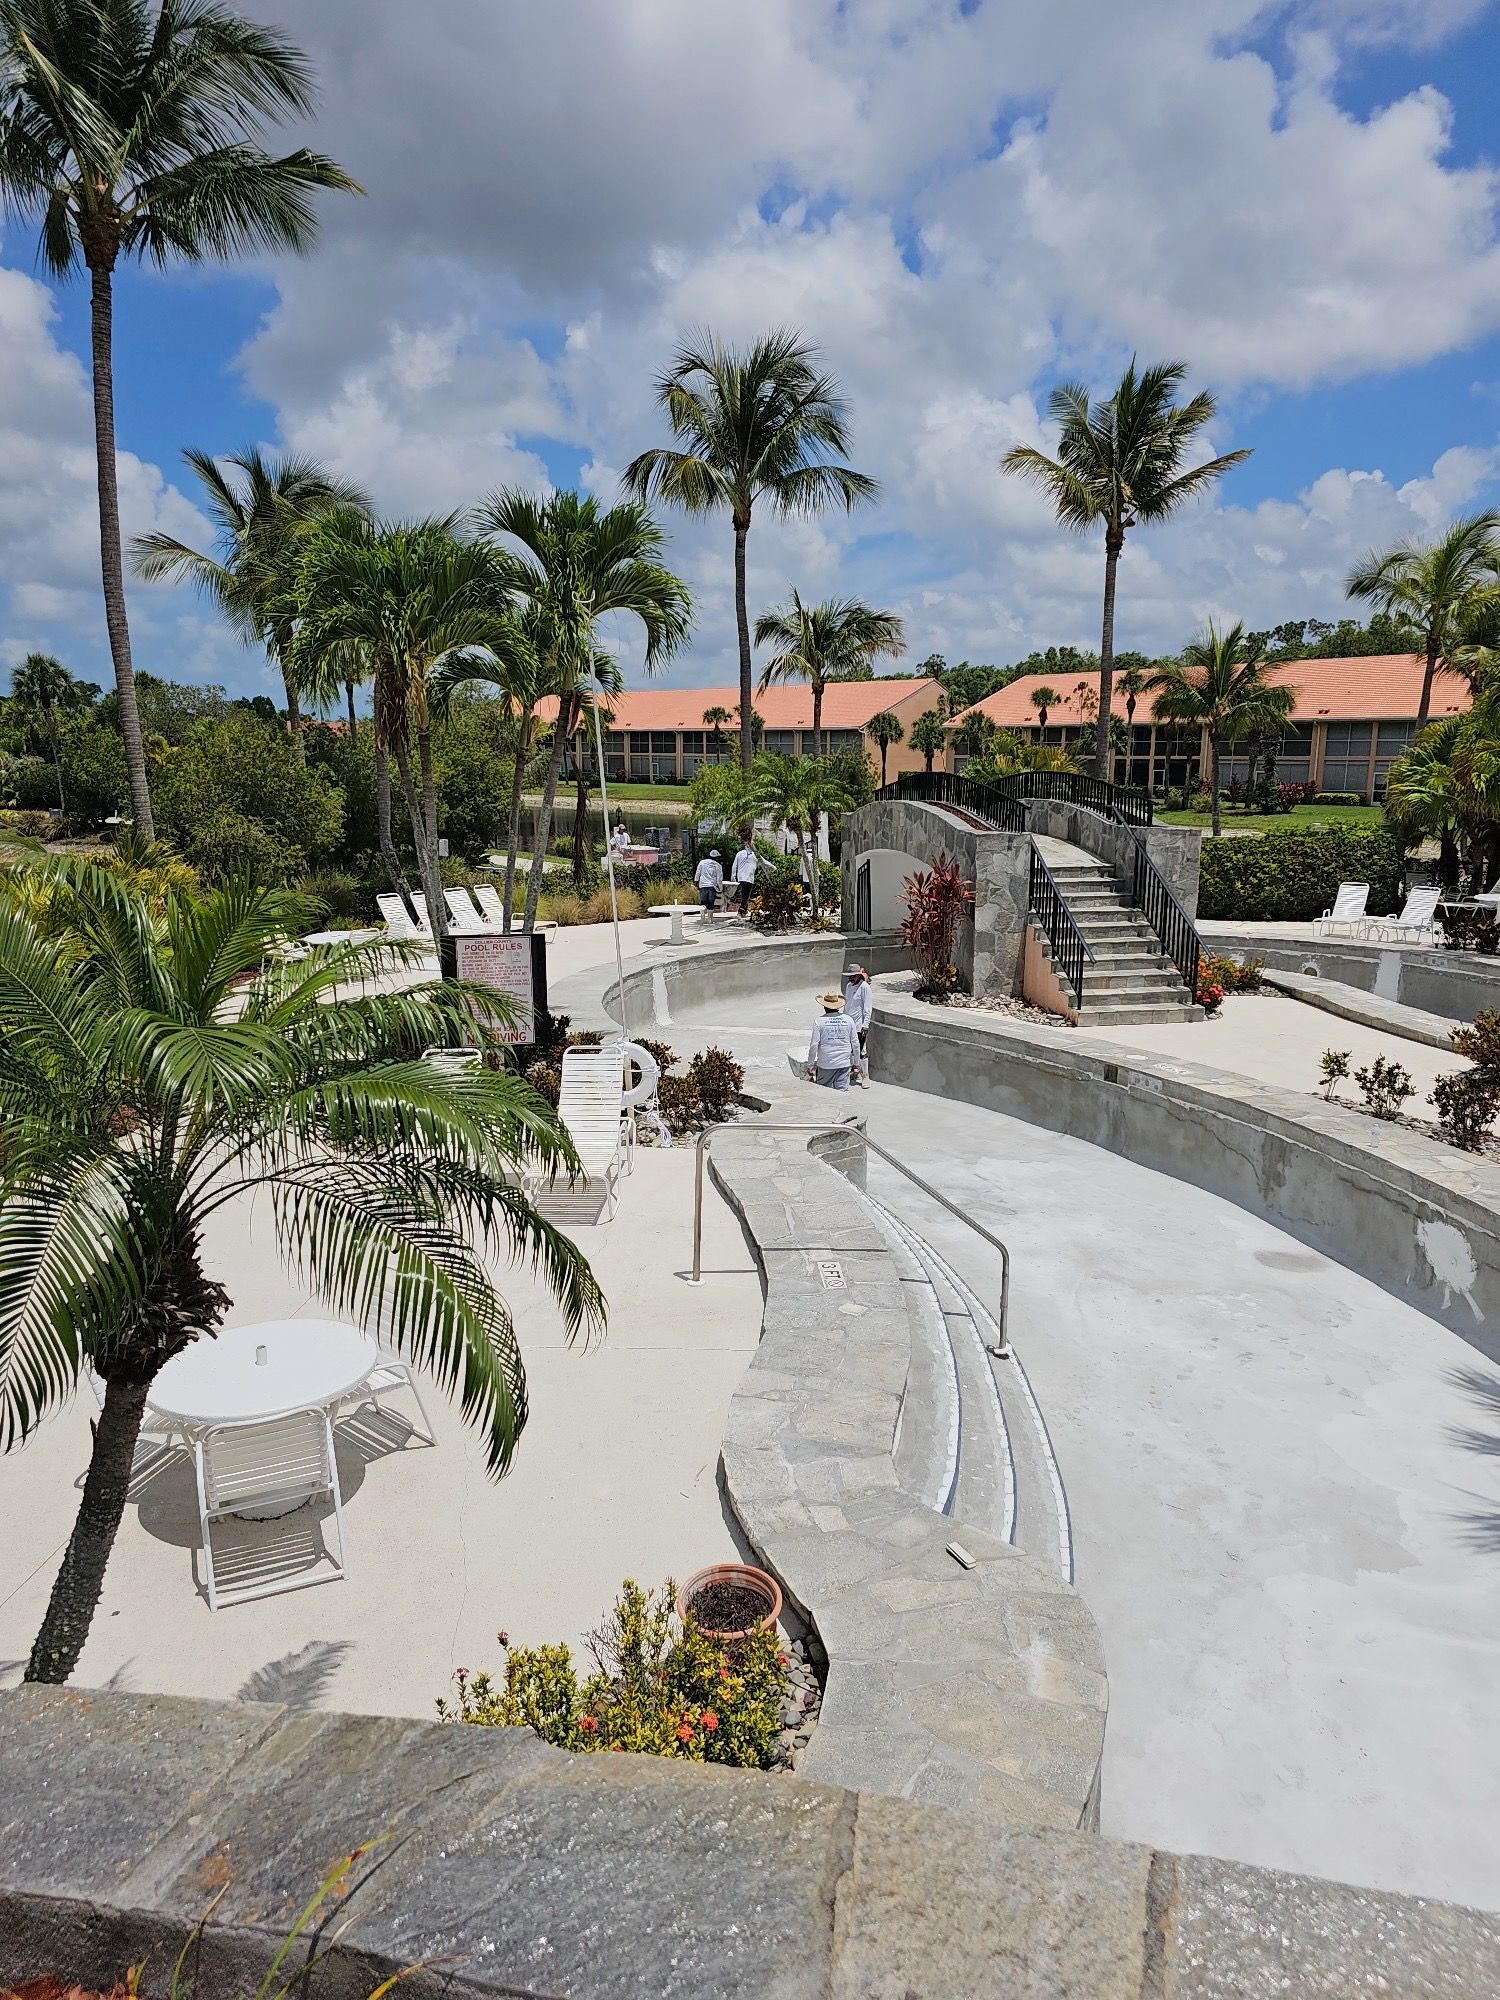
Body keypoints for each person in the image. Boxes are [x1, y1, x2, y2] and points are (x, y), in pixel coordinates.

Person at [805, 990, 860, 1090]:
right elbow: (855, 1044)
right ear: (838, 1006)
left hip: (825, 1065)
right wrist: (856, 1064)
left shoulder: (819, 1021)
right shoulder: (849, 1020)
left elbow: (814, 1045)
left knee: (823, 1093)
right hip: (843, 1064)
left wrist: (810, 1065)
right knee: (842, 1093)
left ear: (824, 1006)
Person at [842, 964, 872, 1085]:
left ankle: (865, 1076)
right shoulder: (849, 986)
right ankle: (856, 1072)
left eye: (853, 976)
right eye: (849, 976)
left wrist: (866, 1024)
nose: (850, 979)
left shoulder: (864, 987)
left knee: (861, 1051)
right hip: (849, 1024)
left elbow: (867, 1008)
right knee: (851, 1050)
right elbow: (847, 1005)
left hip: (860, 1026)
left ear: (858, 975)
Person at [729, 835, 760, 917]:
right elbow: (734, 865)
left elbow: (760, 864)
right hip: (741, 878)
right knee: (743, 896)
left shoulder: (755, 855)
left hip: (750, 878)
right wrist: (733, 876)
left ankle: (743, 910)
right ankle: (741, 911)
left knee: (746, 895)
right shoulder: (740, 854)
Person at [693, 847, 724, 914]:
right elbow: (719, 879)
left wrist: (696, 882)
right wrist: (720, 889)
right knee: (710, 903)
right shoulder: (718, 866)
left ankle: (702, 917)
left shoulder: (702, 862)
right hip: (712, 886)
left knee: (703, 903)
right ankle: (710, 919)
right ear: (717, 857)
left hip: (703, 885)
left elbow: (698, 872)